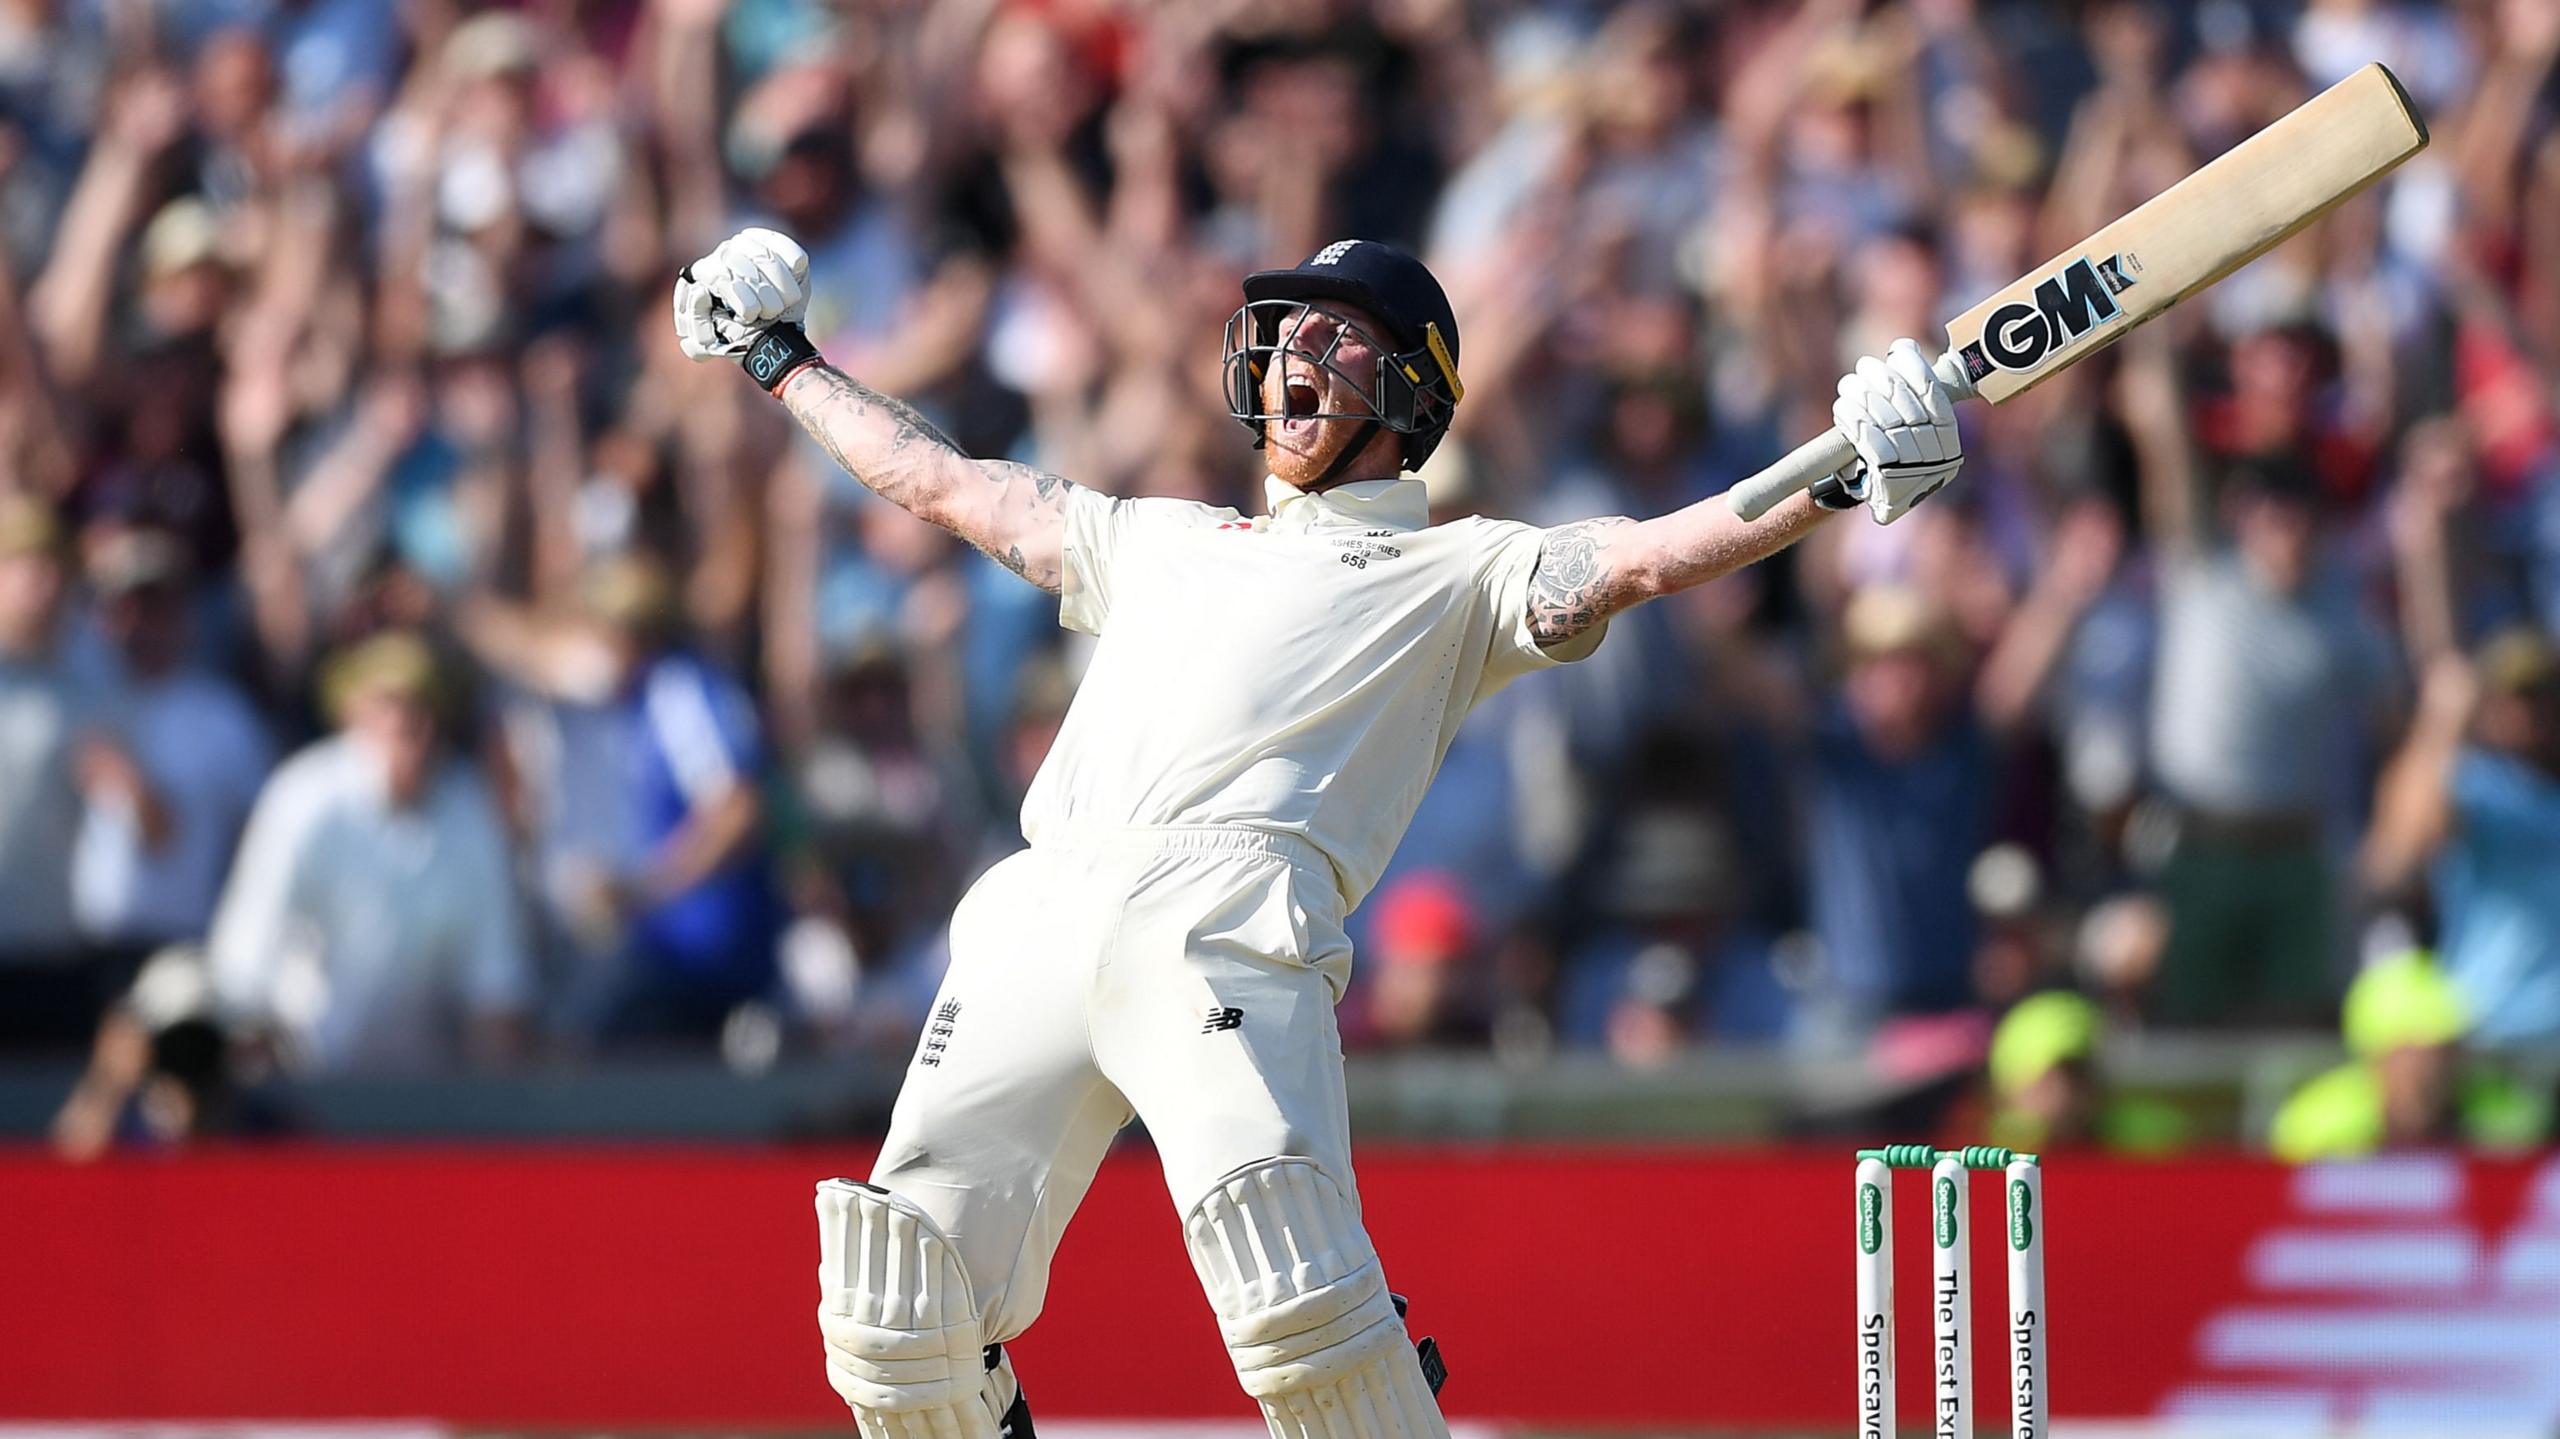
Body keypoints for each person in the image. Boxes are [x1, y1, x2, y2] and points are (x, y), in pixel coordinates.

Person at [674, 227, 1966, 1437]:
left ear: (1412, 386)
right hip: (1041, 899)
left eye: (1339, 335)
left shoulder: (1460, 570)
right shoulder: (1156, 534)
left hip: (1226, 922)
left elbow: (1651, 554)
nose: (1297, 349)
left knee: (1302, 1306)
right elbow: (950, 483)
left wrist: (1842, 471)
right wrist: (779, 357)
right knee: (895, 1312)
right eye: (1289, 329)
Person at [206, 631, 532, 1074]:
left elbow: (495, 986)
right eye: (393, 704)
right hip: (301, 1087)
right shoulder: (303, 800)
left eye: (424, 705)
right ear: (353, 712)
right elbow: (246, 955)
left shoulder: (470, 816)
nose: (411, 724)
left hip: (424, 1103)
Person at [2268, 949, 2549, 1163]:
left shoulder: (2509, 1122)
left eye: (2445, 1048)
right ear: (2375, 1057)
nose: (2430, 1069)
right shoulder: (2315, 1129)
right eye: (2412, 1052)